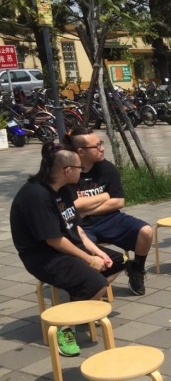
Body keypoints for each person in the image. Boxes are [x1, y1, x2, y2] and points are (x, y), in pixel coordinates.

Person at [10, 142, 125, 357]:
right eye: (79, 168)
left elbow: (76, 228)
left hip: (67, 246)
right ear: (67, 170)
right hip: (43, 256)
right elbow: (54, 241)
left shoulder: (64, 189)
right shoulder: (36, 196)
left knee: (117, 261)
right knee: (97, 282)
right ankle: (65, 328)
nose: (82, 172)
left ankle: (80, 302)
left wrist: (97, 252)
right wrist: (89, 261)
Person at [64, 127, 152, 296]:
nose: (102, 148)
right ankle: (87, 286)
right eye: (96, 146)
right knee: (82, 250)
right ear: (81, 152)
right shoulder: (70, 171)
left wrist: (86, 208)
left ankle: (137, 270)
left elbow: (118, 201)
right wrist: (104, 196)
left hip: (110, 220)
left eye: (101, 143)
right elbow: (73, 205)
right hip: (82, 226)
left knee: (146, 231)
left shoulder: (107, 168)